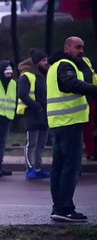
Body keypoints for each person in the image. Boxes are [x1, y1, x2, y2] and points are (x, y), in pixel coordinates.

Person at [47, 36, 97, 222]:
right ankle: (65, 208)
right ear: (67, 48)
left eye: (83, 47)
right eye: (77, 47)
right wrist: (94, 90)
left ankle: (59, 208)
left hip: (60, 123)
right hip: (69, 123)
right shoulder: (65, 64)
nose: (81, 50)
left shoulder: (58, 65)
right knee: (71, 167)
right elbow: (70, 84)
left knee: (59, 168)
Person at [18, 49, 51, 180]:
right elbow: (22, 94)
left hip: (44, 115)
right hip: (32, 114)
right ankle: (30, 169)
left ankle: (38, 168)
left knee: (41, 144)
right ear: (37, 62)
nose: (46, 62)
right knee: (31, 143)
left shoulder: (44, 76)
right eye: (43, 60)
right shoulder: (27, 75)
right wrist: (37, 106)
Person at [78, 55, 97, 161]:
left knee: (88, 127)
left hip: (92, 96)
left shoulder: (85, 60)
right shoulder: (70, 63)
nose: (81, 50)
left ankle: (91, 151)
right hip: (86, 99)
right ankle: (90, 152)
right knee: (87, 127)